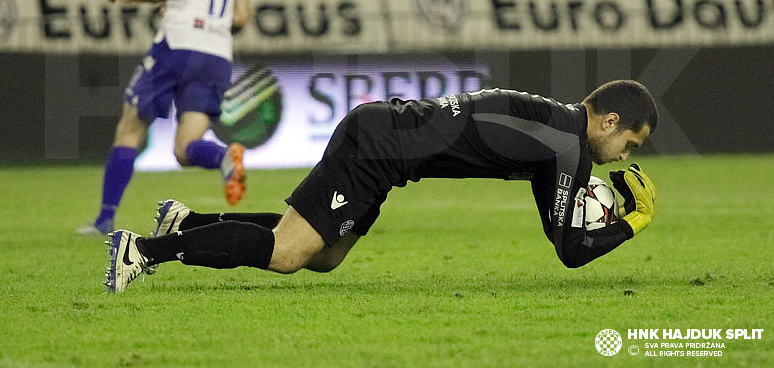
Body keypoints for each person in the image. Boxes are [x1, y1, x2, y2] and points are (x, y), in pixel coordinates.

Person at [105, 80, 660, 292]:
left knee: (325, 257)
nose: (625, 156)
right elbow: (570, 250)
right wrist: (631, 222)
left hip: (387, 146)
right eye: (630, 144)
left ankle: (188, 224)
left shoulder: (559, 135)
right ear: (609, 122)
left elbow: (561, 231)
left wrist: (602, 214)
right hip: (380, 146)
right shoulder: (564, 146)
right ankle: (147, 249)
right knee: (288, 254)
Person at [79, 0, 251, 236]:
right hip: (217, 53)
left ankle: (104, 220)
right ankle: (223, 157)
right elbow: (241, 16)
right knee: (186, 149)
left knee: (130, 129)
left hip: (178, 43)